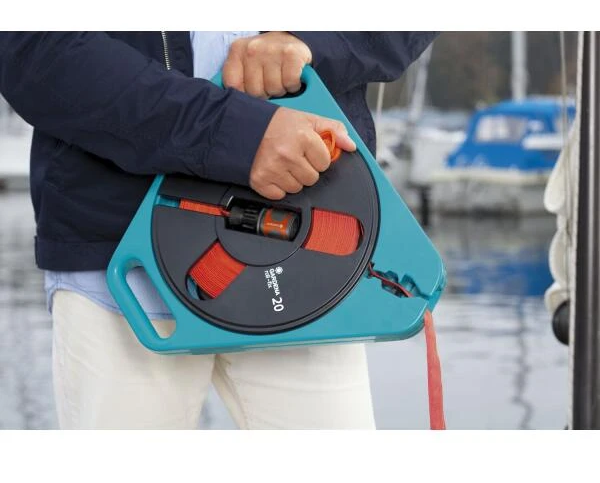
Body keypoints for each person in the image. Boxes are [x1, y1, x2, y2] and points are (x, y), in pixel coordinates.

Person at [0, 31, 438, 429]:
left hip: (312, 252)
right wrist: (238, 134)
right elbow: (32, 44)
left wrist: (315, 41)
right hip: (120, 254)